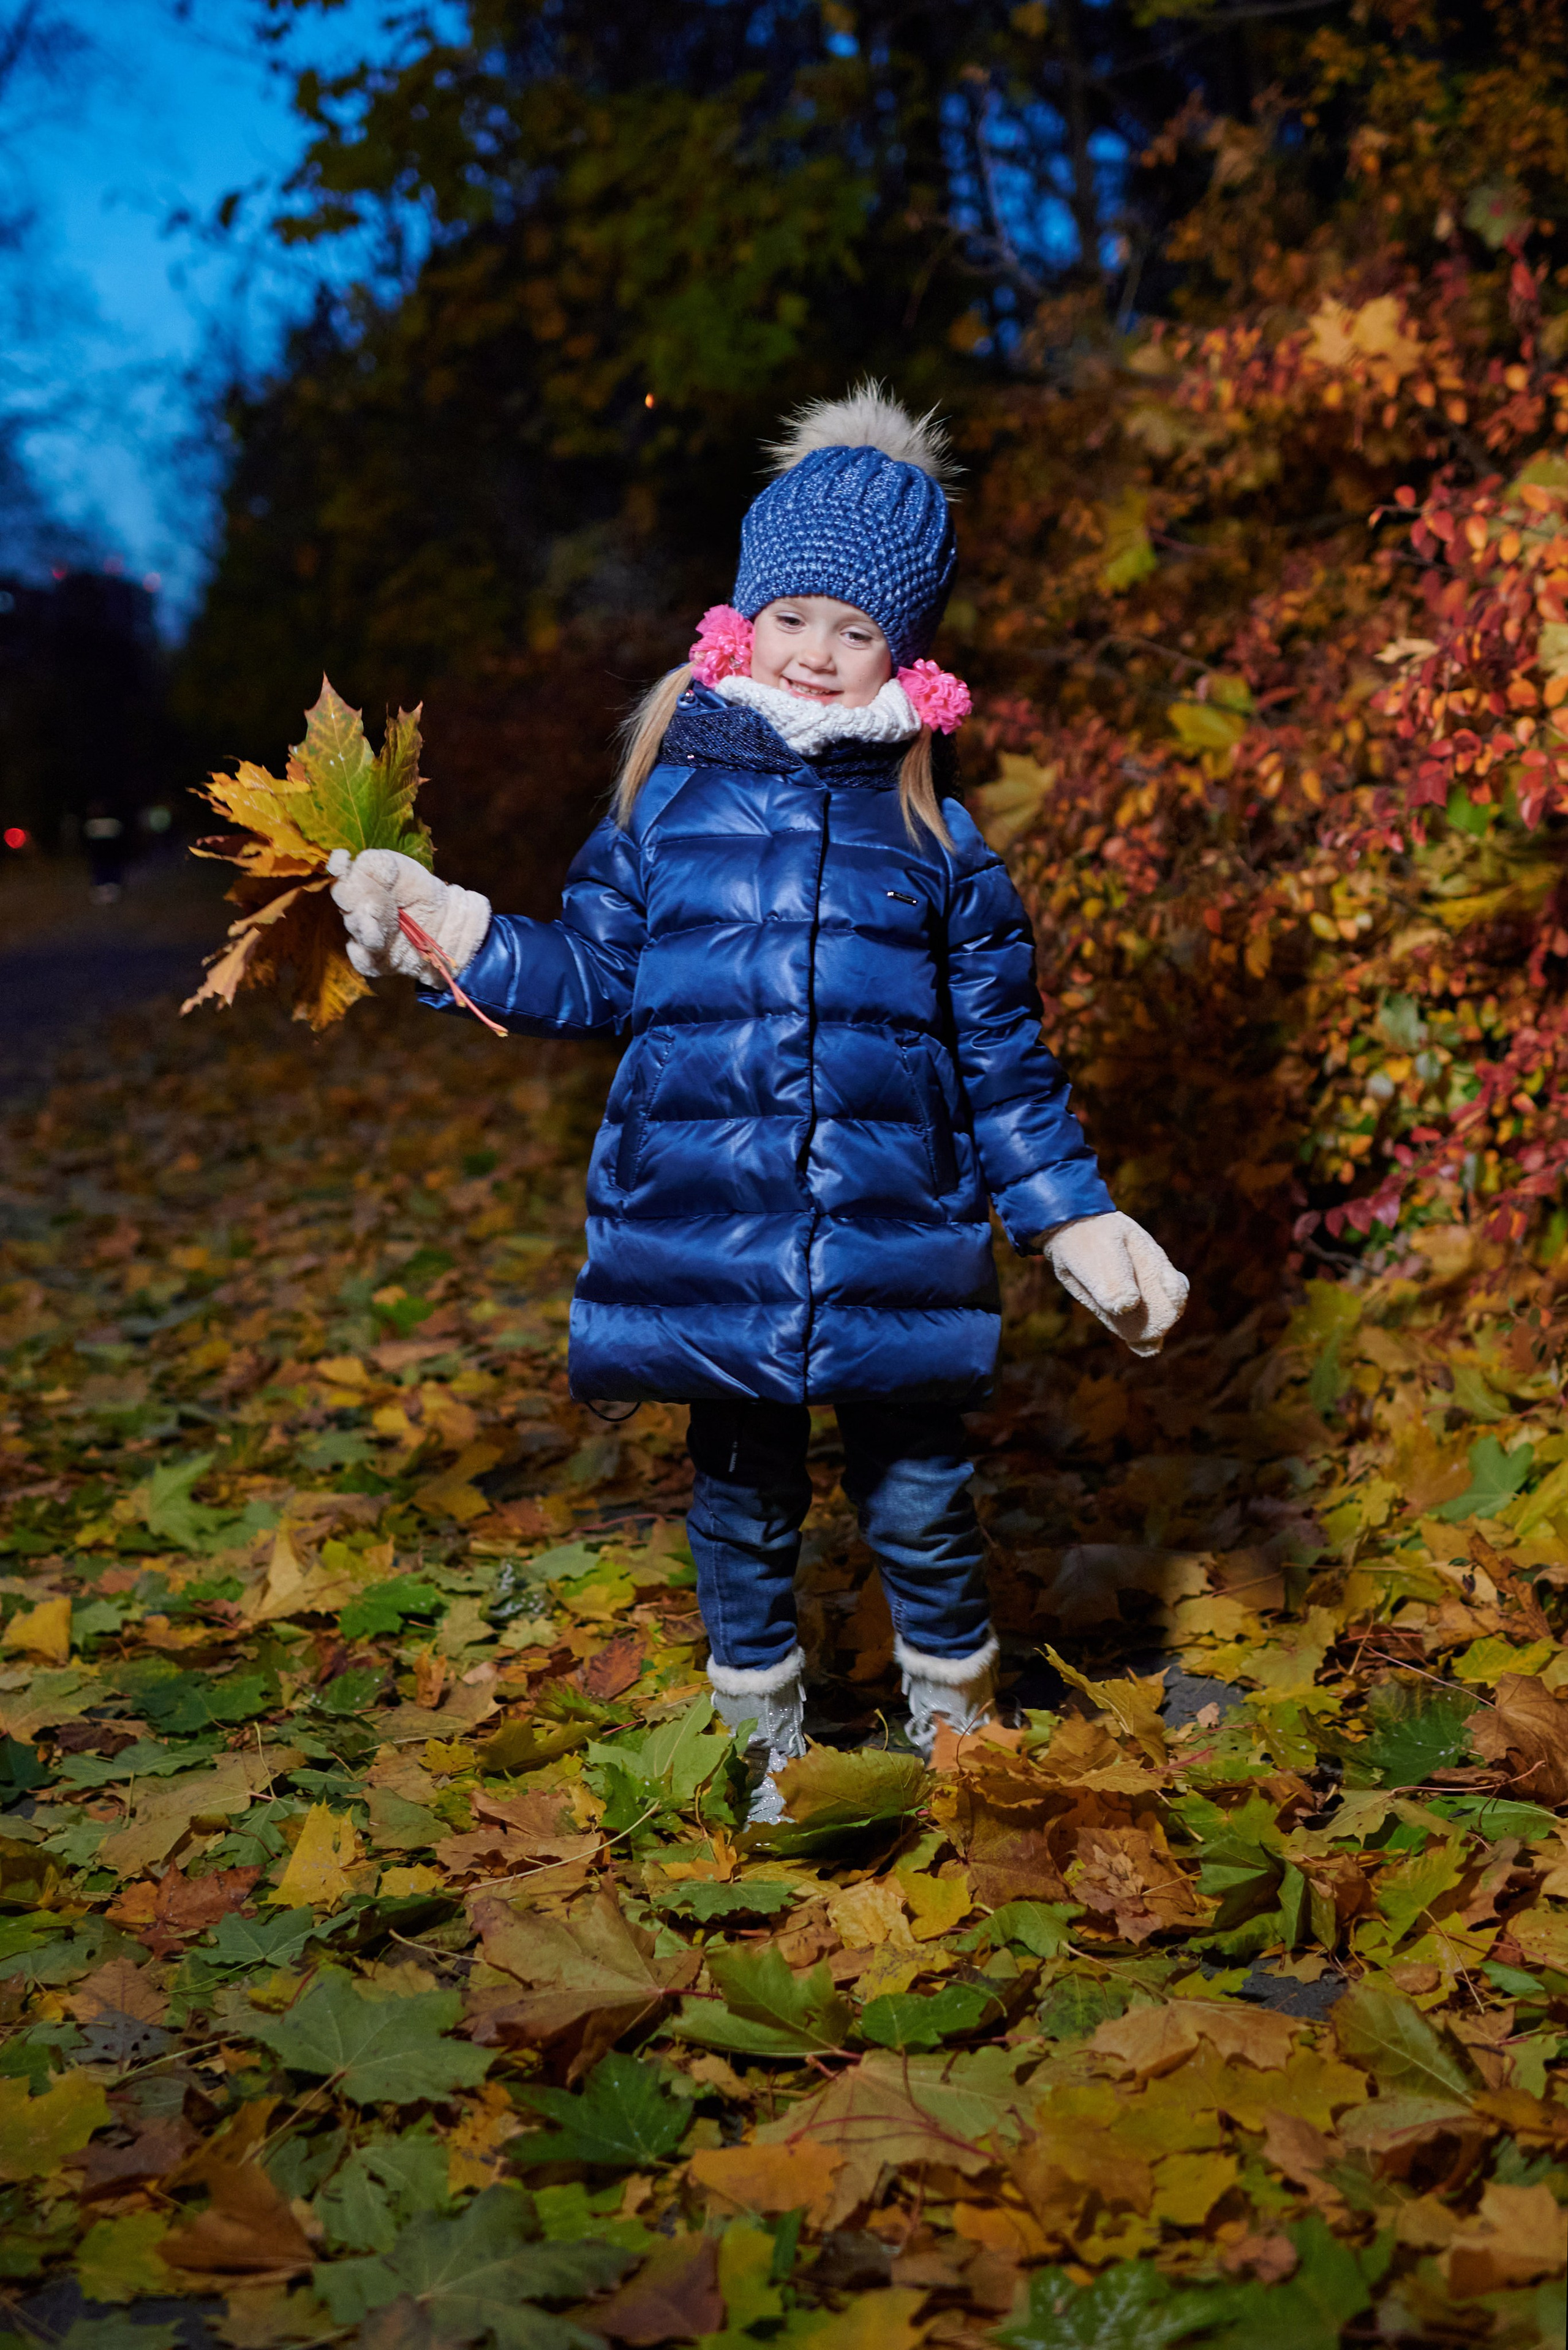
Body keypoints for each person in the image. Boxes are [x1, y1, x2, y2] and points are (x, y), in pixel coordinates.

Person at [330, 385, 1189, 1816]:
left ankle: (956, 1725)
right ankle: (760, 1739)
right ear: (743, 619)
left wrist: (1072, 1216)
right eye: (793, 615)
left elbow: (999, 1058)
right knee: (740, 1496)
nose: (817, 651)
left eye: (855, 630)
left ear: (902, 653)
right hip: (710, 1228)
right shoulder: (662, 806)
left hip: (893, 1231)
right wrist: (453, 932)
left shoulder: (938, 842)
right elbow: (589, 972)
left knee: (920, 1493)